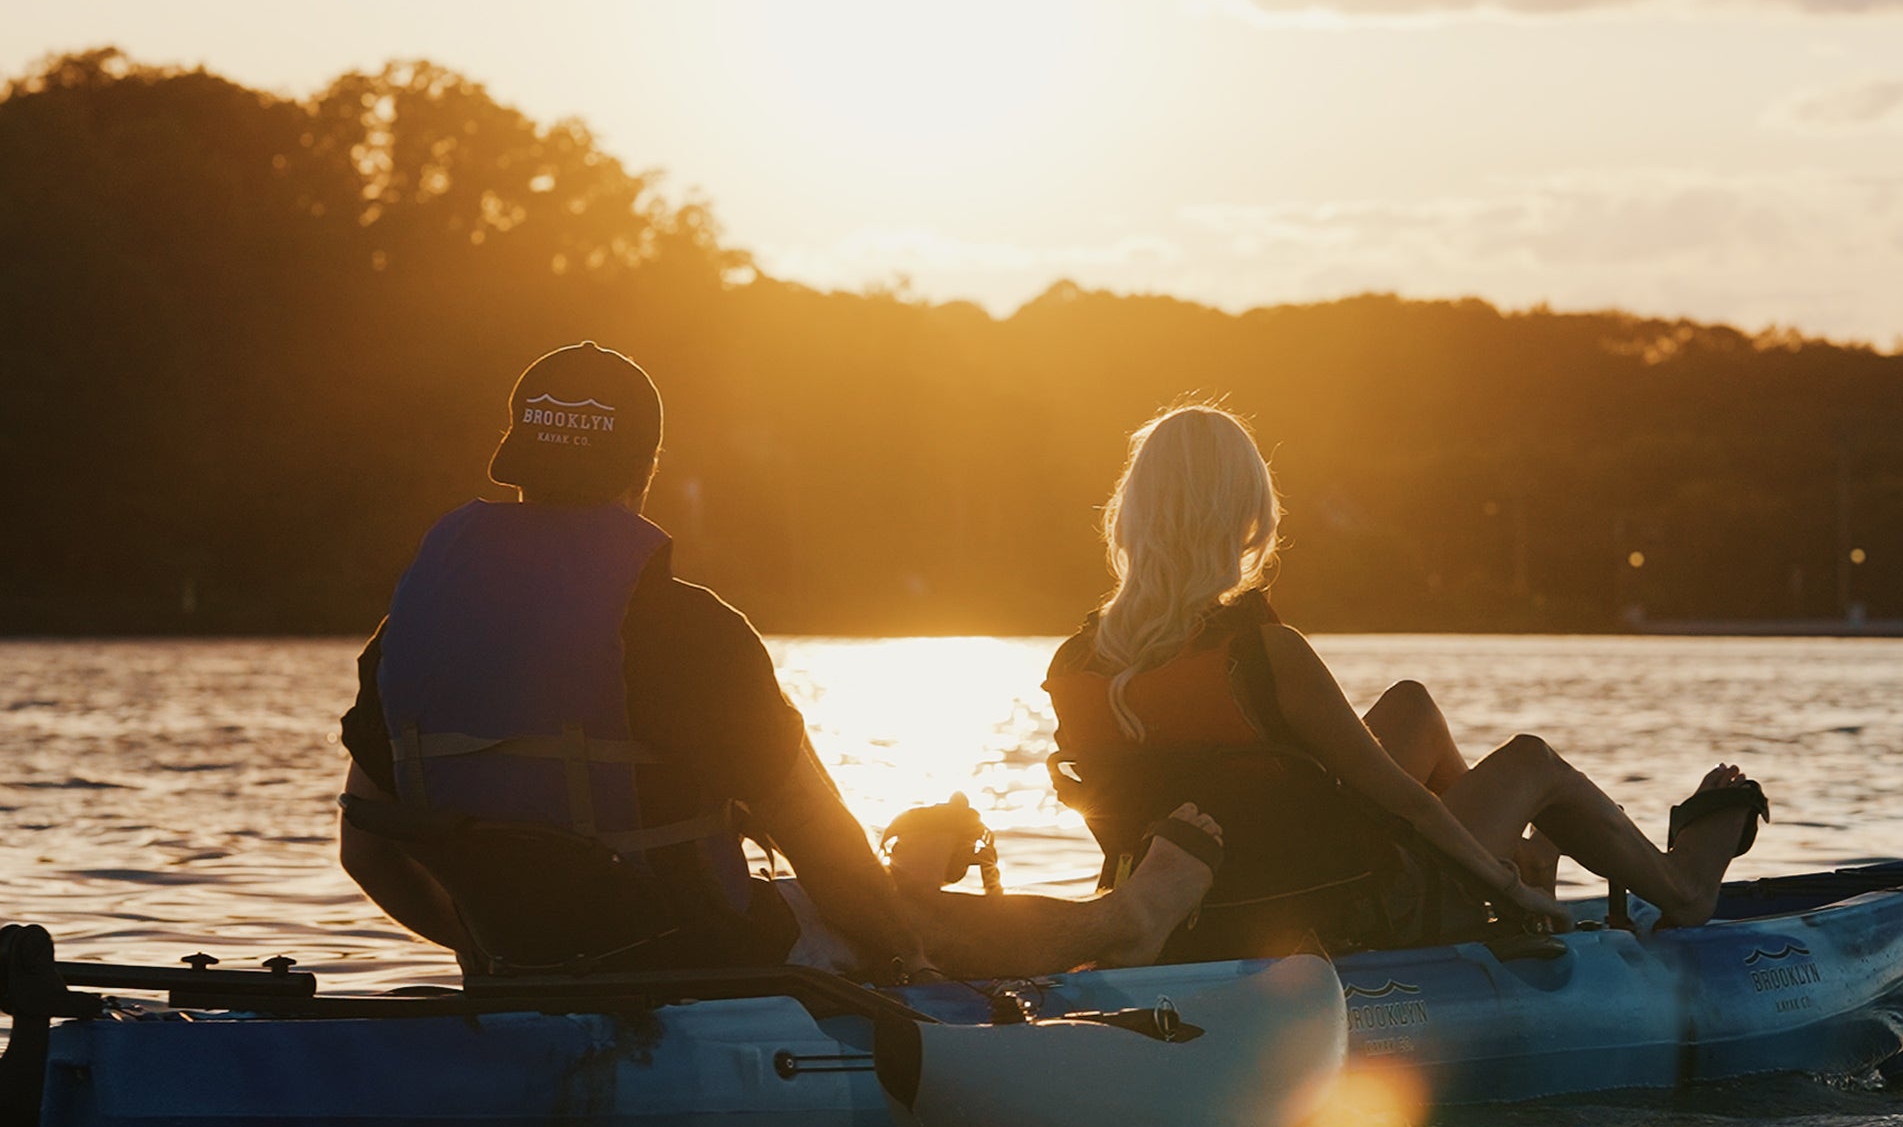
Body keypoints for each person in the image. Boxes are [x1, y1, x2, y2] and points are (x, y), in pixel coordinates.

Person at [336, 342, 1218, 981]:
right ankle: (1130, 920)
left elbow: (368, 853)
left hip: (518, 961)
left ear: (517, 466)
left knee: (860, 892)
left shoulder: (405, 633)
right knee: (897, 909)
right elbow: (830, 857)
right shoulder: (690, 629)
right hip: (705, 959)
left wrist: (500, 953)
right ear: (644, 470)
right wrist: (909, 962)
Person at [1042, 404, 1769, 961]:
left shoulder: (1075, 666)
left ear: (1133, 518)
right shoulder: (1264, 655)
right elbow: (1410, 811)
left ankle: (1514, 861)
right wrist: (1510, 889)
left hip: (1195, 904)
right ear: (1242, 516)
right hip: (1332, 911)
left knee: (1411, 706)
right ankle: (1681, 888)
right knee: (1531, 761)